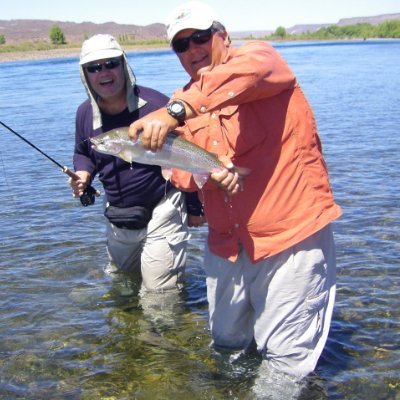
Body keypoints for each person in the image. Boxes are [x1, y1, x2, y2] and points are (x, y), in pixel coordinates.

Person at [128, 1, 342, 382]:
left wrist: (174, 111)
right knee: (227, 345)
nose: (193, 50)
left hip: (289, 238)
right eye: (181, 45)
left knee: (284, 362)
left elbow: (247, 73)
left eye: (200, 38)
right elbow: (180, 173)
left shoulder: (261, 61)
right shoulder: (186, 96)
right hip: (226, 245)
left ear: (222, 35)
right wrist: (207, 174)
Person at [70, 34, 202, 292]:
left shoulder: (157, 104)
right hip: (119, 212)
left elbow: (191, 150)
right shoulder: (84, 113)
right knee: (123, 284)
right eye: (94, 67)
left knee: (158, 293)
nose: (104, 72)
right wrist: (83, 174)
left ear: (124, 65)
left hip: (163, 205)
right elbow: (83, 152)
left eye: (111, 63)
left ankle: (160, 331)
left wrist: (196, 205)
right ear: (85, 74)